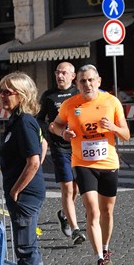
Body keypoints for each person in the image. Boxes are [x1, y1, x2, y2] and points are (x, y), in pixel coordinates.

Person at [50, 64, 130, 265]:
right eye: (83, 81)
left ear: (99, 81)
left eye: (91, 80)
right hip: (82, 163)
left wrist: (112, 128)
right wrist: (63, 133)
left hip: (108, 163)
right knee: (92, 210)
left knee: (107, 212)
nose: (87, 84)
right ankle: (99, 259)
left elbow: (126, 134)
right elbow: (54, 126)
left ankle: (105, 249)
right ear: (77, 83)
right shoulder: (69, 104)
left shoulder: (111, 102)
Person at [0, 71, 51, 265]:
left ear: (22, 95)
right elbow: (42, 146)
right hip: (25, 193)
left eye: (8, 92)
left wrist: (16, 189)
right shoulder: (17, 121)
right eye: (1, 92)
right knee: (30, 247)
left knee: (25, 249)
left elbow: (34, 160)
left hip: (25, 195)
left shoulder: (24, 122)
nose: (2, 96)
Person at [38, 62, 86, 245]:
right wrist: (48, 132)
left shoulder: (78, 94)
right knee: (67, 186)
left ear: (73, 76)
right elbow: (40, 119)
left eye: (64, 73)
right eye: (57, 72)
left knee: (76, 188)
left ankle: (64, 213)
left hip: (79, 147)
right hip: (59, 148)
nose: (60, 76)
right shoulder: (49, 96)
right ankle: (75, 230)